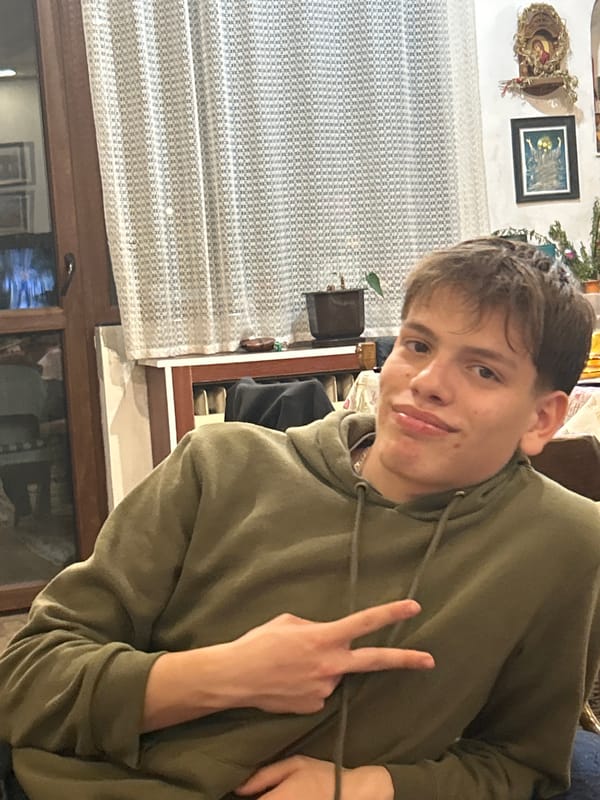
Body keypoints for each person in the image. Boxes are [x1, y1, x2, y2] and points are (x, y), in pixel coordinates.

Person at [0, 237, 599, 800]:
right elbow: (24, 678)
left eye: (484, 370)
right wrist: (226, 675)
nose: (427, 382)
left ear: (541, 420)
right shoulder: (219, 466)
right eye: (417, 345)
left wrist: (373, 785)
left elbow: (523, 762)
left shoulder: (565, 543)